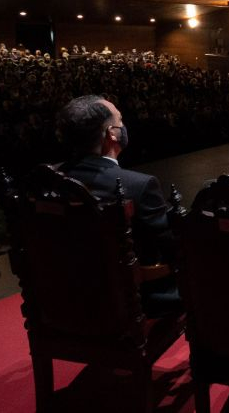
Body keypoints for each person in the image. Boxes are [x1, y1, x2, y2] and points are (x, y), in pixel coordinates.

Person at [55, 94, 179, 318]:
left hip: (68, 298)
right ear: (112, 133)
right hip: (134, 299)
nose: (123, 125)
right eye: (120, 120)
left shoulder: (48, 181)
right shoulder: (138, 185)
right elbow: (172, 247)